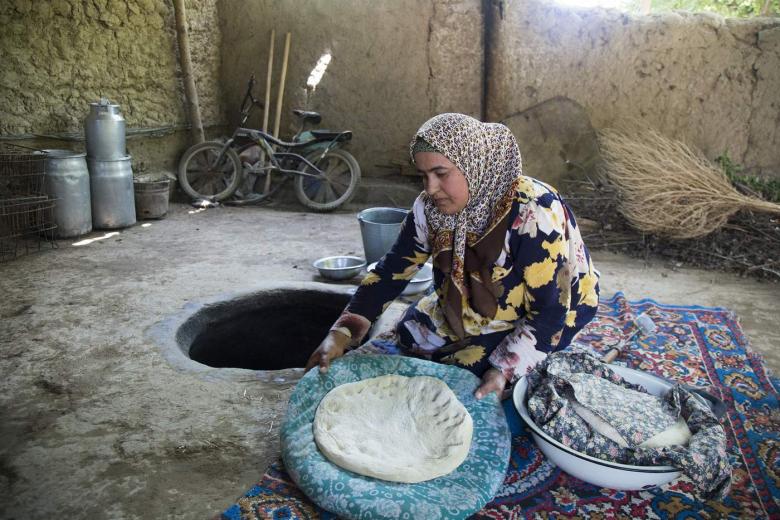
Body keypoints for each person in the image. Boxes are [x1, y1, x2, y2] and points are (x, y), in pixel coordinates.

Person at [305, 113, 599, 400]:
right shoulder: (429, 209)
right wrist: (343, 331)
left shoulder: (534, 215)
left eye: (441, 174)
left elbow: (551, 311)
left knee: (471, 372)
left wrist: (503, 370)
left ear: (474, 164)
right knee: (411, 335)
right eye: (424, 175)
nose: (431, 188)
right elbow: (391, 272)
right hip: (483, 297)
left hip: (554, 307)